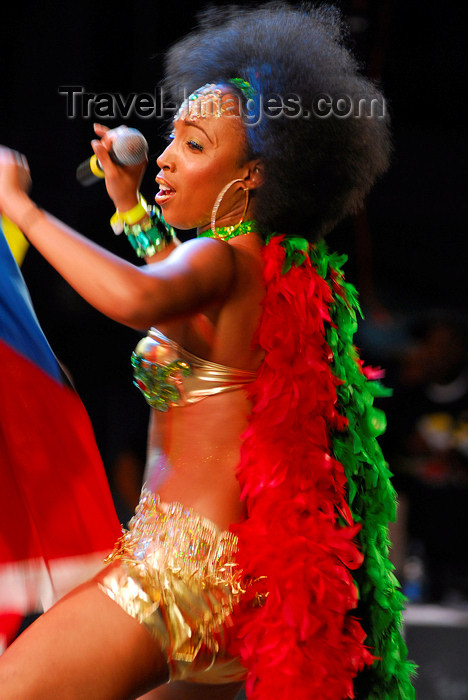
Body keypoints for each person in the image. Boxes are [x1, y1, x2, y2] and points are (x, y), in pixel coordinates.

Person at [0, 4, 415, 698]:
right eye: (171, 137)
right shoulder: (263, 269)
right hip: (224, 584)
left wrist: (23, 211)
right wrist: (129, 205)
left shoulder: (218, 264)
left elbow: (138, 299)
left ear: (252, 175)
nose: (162, 155)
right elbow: (172, 287)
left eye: (193, 146)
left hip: (177, 574)